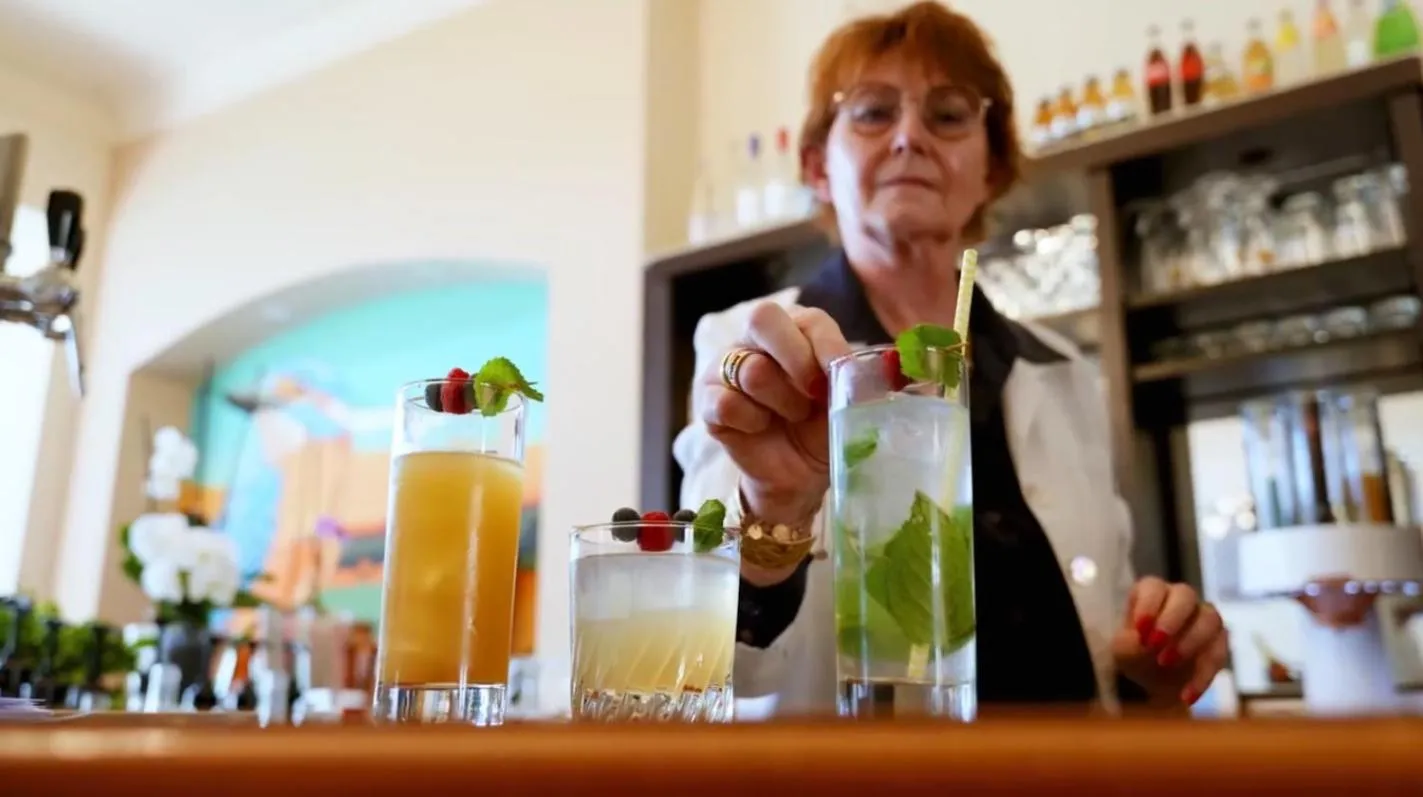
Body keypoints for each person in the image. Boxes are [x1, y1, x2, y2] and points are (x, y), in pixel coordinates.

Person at [672, 2, 1228, 716]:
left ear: (990, 167)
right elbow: (713, 657)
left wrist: (1146, 671)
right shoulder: (755, 345)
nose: (909, 136)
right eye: (873, 112)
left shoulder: (1062, 372)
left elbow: (1098, 633)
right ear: (817, 166)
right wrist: (774, 510)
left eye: (948, 115)